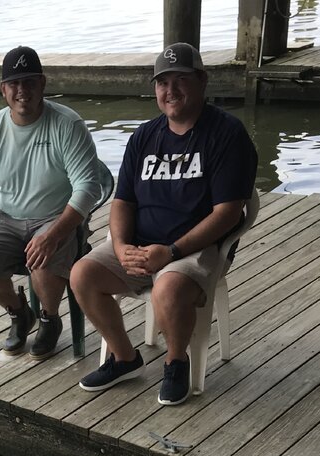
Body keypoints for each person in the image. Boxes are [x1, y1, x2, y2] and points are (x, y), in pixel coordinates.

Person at [72, 42, 258, 405]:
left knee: (167, 290)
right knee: (82, 275)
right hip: (142, 244)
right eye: (162, 82)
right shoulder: (144, 136)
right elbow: (123, 201)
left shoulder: (227, 134)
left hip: (195, 249)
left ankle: (176, 362)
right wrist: (121, 246)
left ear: (202, 81)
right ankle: (124, 358)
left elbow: (228, 213)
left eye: (180, 80)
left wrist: (171, 252)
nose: (170, 90)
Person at [0, 46, 101, 360]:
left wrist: (53, 234)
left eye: (29, 82)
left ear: (42, 83)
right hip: (8, 215)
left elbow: (88, 187)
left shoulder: (67, 124)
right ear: (3, 90)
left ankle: (50, 318)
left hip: (57, 215)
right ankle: (19, 312)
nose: (22, 90)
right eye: (14, 83)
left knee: (42, 260)